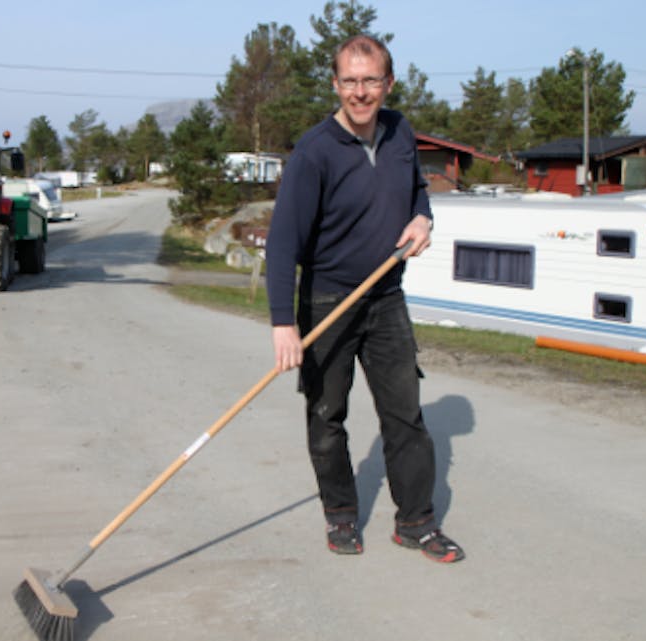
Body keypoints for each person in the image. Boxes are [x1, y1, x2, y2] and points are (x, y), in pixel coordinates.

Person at [265, 34, 463, 563]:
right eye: (349, 81)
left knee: (405, 415)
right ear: (335, 84)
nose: (360, 93)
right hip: (327, 301)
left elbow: (417, 191)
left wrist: (424, 217)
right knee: (327, 414)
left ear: (388, 83)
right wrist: (284, 321)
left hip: (386, 296)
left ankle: (416, 523)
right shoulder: (313, 152)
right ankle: (341, 516)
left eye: (370, 80)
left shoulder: (400, 133)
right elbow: (283, 242)